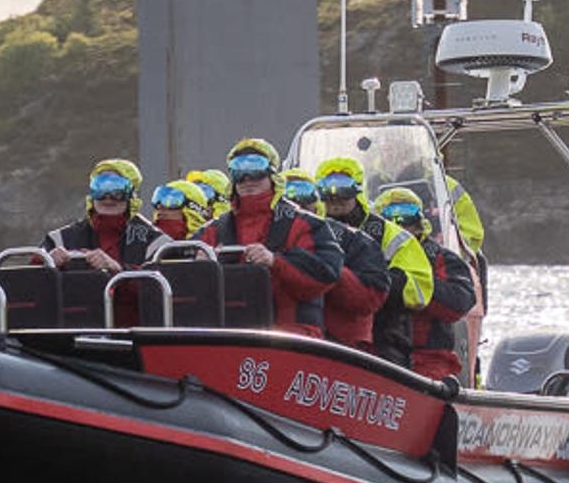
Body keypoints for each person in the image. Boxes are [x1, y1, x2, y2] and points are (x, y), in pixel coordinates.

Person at [197, 136, 344, 331]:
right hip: (228, 334)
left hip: (293, 337)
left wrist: (275, 261)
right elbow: (176, 272)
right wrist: (198, 266)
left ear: (272, 174)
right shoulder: (213, 230)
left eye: (256, 168)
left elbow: (326, 272)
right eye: (238, 170)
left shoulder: (305, 224)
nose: (247, 178)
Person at [369, 185, 481, 378]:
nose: (400, 222)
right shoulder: (367, 253)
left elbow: (460, 300)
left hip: (427, 359)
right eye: (390, 215)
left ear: (420, 220)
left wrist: (412, 286)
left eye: (407, 214)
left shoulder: (441, 258)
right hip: (374, 353)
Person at [304, 153, 395, 345]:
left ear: (358, 191)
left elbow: (376, 293)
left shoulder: (379, 233)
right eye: (326, 189)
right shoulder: (302, 229)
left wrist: (329, 269)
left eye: (344, 189)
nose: (335, 196)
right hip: (304, 336)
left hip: (377, 332)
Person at [41, 157, 158, 267]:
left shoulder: (153, 241)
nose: (108, 197)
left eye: (118, 190)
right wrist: (47, 263)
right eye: (100, 188)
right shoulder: (60, 239)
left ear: (131, 197)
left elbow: (163, 277)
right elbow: (33, 275)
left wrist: (117, 269)